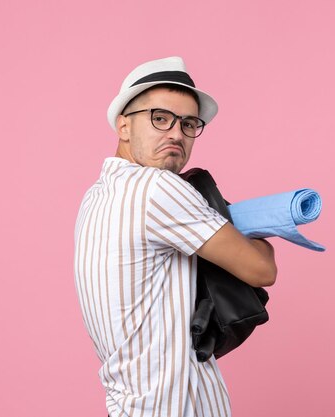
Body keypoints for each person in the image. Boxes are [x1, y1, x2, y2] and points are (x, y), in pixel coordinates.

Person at [74, 56, 277, 417]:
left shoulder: (97, 195)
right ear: (124, 126)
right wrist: (258, 229)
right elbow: (262, 270)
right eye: (160, 118)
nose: (176, 133)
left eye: (188, 123)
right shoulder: (156, 187)